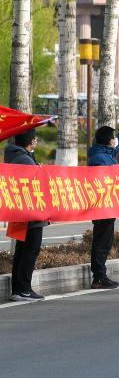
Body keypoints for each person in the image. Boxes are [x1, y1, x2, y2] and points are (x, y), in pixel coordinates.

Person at [85, 119, 119, 289]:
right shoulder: (100, 158)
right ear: (108, 141)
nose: (116, 140)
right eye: (114, 137)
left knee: (105, 242)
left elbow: (117, 147)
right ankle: (99, 277)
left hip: (109, 206)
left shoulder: (105, 154)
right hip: (102, 207)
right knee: (101, 242)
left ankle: (100, 276)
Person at [5, 129, 47, 301]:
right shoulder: (24, 160)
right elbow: (37, 182)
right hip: (32, 211)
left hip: (23, 211)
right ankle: (24, 289)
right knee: (30, 250)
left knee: (22, 251)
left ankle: (18, 289)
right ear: (31, 141)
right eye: (35, 139)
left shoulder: (16, 156)